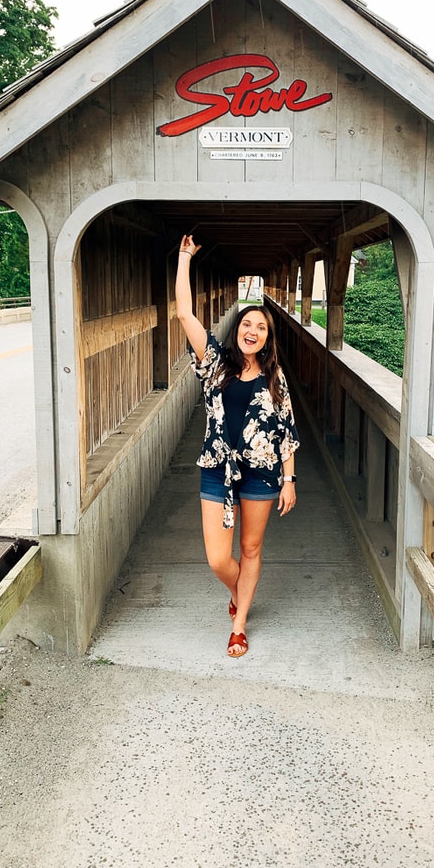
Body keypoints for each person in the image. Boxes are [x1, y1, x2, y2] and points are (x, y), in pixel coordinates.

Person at [175, 233, 300, 658]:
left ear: (268, 337)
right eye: (247, 324)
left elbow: (286, 430)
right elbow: (184, 313)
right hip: (217, 467)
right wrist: (184, 258)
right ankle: (239, 590)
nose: (253, 331)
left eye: (261, 327)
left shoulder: (275, 377)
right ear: (237, 330)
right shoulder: (214, 363)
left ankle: (239, 623)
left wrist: (289, 479)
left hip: (263, 475)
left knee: (250, 550)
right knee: (218, 558)